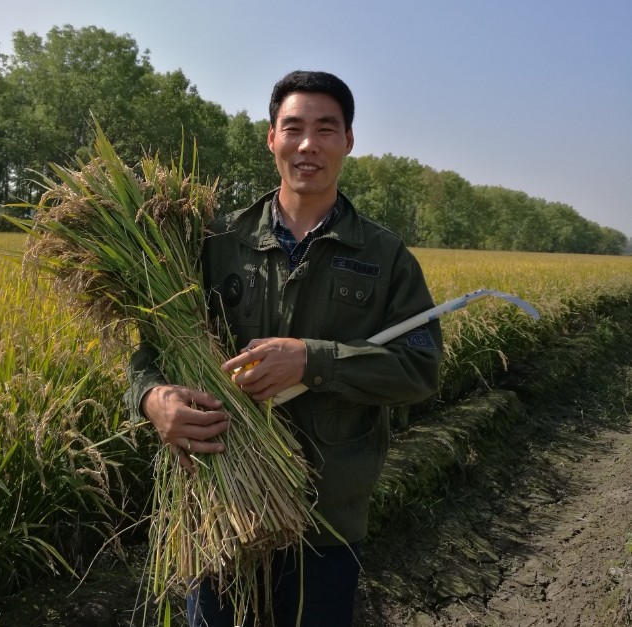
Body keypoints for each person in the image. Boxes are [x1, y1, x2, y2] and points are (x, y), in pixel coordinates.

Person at [127, 70, 443, 627]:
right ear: (271, 138)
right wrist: (154, 401)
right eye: (292, 127)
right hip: (220, 502)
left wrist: (314, 360)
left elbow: (420, 368)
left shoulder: (386, 257)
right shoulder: (214, 242)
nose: (308, 144)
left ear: (348, 140)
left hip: (327, 521)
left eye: (326, 128)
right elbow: (150, 351)